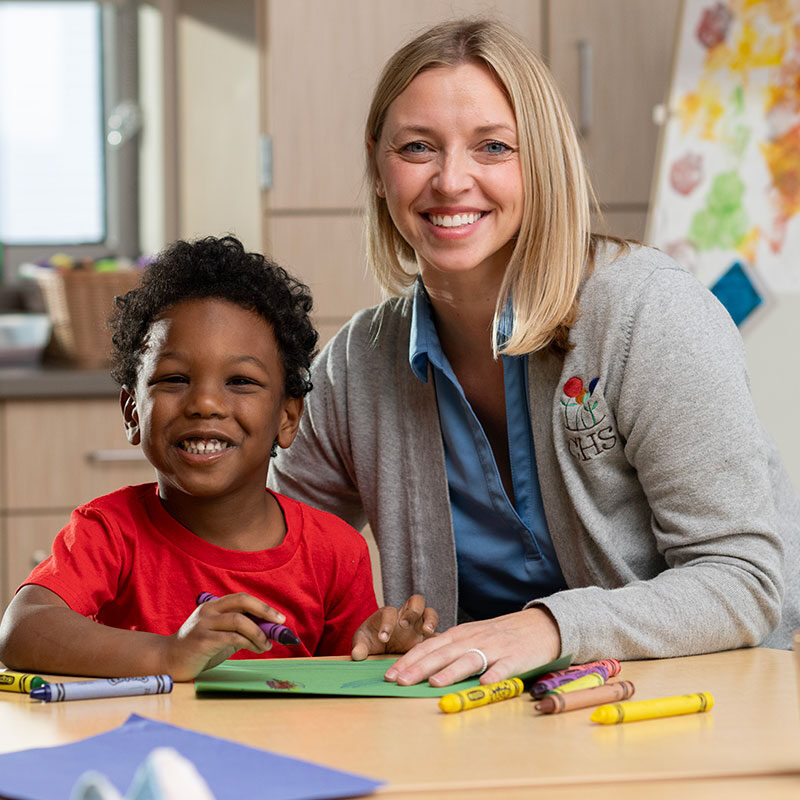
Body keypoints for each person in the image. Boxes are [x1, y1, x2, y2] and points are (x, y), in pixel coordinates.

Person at [269, 18, 800, 688]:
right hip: (485, 723)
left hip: (687, 710)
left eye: (493, 146)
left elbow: (746, 582)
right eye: (417, 148)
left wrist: (547, 628)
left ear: (542, 161)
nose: (450, 180)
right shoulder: (355, 366)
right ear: (377, 165)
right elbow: (282, 560)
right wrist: (355, 627)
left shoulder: (646, 314)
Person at [0, 235, 437, 681]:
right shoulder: (109, 533)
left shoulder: (337, 552)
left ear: (288, 418)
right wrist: (169, 654)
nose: (205, 402)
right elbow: (21, 629)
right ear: (133, 411)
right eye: (173, 378)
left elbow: (346, 684)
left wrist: (384, 652)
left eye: (241, 381)